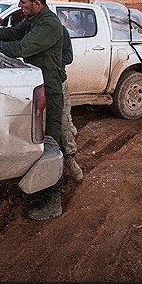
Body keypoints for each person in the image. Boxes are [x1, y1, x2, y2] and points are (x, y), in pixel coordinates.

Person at [0, 0, 65, 220]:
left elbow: (20, 47)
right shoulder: (35, 19)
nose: (19, 5)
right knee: (38, 142)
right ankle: (40, 190)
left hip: (51, 91)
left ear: (37, 3)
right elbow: (13, 33)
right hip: (39, 88)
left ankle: (53, 201)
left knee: (50, 146)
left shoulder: (49, 24)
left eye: (23, 2)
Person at [60, 26, 83, 182]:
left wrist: (47, 57)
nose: (21, 6)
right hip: (32, 84)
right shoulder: (25, 27)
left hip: (57, 84)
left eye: (23, 2)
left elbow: (68, 56)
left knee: (64, 123)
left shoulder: (59, 30)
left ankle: (69, 158)